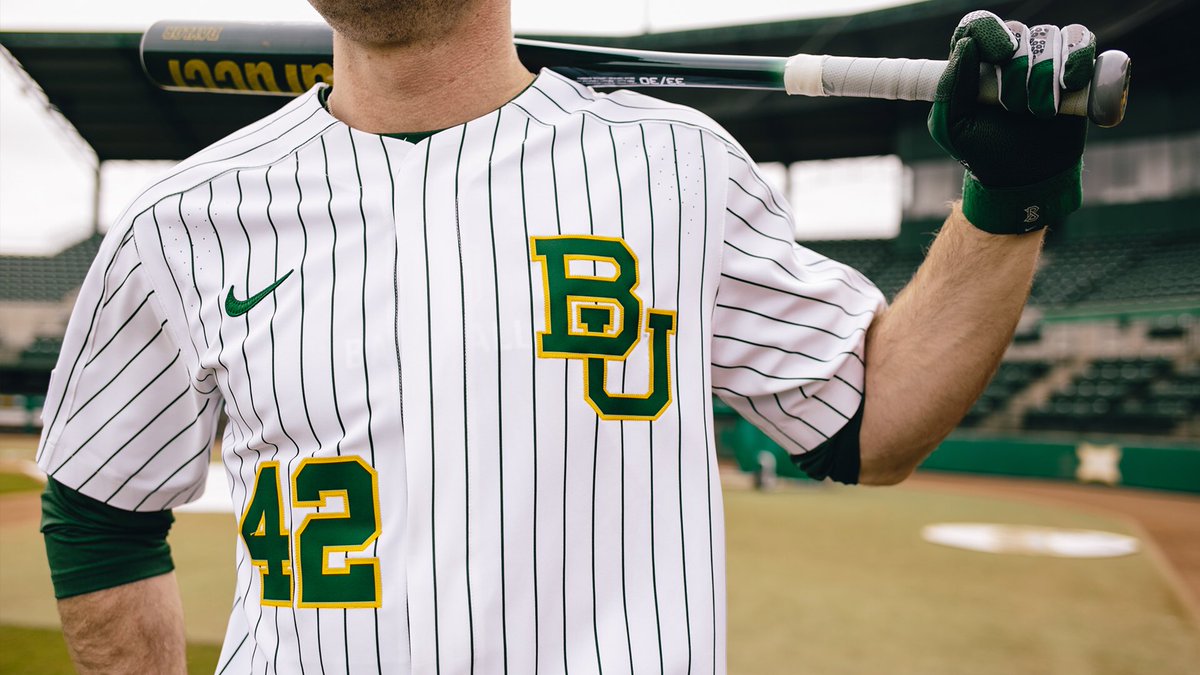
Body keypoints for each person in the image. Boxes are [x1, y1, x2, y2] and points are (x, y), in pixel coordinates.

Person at [36, 2, 1094, 672]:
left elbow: (874, 423)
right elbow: (98, 514)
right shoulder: (180, 221)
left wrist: (1009, 196)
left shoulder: (681, 169)